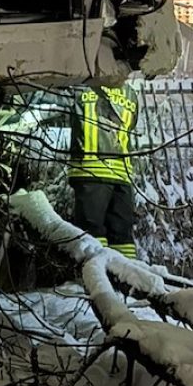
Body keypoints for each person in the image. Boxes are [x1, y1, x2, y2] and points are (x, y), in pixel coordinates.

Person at [68, 83, 138, 259]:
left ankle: (96, 278)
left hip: (90, 170)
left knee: (91, 233)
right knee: (123, 237)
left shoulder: (80, 86)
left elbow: (61, 109)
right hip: (122, 173)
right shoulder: (130, 93)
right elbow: (132, 124)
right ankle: (127, 279)